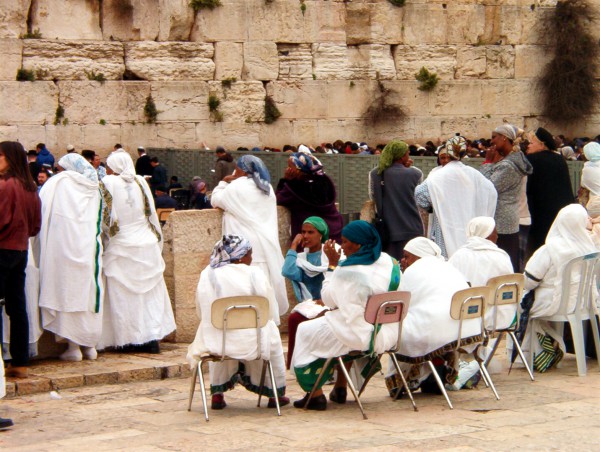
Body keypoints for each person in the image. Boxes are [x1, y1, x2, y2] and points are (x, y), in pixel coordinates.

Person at [292, 221, 401, 411]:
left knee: (305, 331)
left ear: (358, 245)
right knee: (340, 326)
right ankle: (340, 387)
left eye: (345, 241)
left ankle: (315, 393)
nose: (342, 247)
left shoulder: (349, 271)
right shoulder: (390, 262)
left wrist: (332, 266)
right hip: (388, 332)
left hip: (361, 335)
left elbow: (328, 300)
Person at [187, 235, 289, 409]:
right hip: (255, 341)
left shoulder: (207, 274)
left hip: (219, 343)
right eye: (249, 254)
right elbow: (268, 308)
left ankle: (217, 395)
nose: (251, 259)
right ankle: (275, 395)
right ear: (240, 256)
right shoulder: (255, 273)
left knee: (211, 327)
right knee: (269, 330)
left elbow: (202, 310)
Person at [97, 151, 176, 353]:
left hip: (122, 244)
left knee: (124, 296)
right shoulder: (141, 182)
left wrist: (106, 238)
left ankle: (128, 338)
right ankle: (151, 337)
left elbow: (106, 218)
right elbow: (149, 212)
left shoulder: (108, 182)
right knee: (150, 296)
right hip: (146, 244)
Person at [384, 237, 482, 396]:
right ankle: (431, 375)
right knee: (423, 322)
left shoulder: (413, 271)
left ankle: (401, 381)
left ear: (419, 256)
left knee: (399, 327)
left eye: (407, 256)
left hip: (437, 331)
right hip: (464, 330)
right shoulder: (448, 267)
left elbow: (401, 304)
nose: (403, 260)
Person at [38, 153, 103, 362]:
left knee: (66, 293)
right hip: (88, 249)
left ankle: (73, 347)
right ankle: (90, 346)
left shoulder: (58, 183)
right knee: (88, 294)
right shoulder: (94, 187)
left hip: (62, 248)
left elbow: (43, 209)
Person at [520, 204, 597, 372]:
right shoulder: (590, 248)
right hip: (584, 304)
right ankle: (549, 348)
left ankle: (529, 355)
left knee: (519, 304)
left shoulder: (549, 249)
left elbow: (529, 281)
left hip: (553, 304)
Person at [211, 155, 289, 317]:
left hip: (241, 251)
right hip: (263, 248)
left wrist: (223, 182)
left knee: (241, 291)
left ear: (241, 169)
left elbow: (216, 200)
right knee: (263, 292)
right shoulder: (267, 189)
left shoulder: (236, 187)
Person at [415, 135, 497, 258]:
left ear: (448, 152)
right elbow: (491, 192)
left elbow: (419, 195)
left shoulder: (437, 176)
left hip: (444, 229)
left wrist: (435, 205)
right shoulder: (474, 175)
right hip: (470, 231)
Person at [0, 141, 42, 380]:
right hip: (20, 250)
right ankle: (20, 361)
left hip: (2, 248)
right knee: (17, 306)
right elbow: (36, 226)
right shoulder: (30, 187)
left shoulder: (5, 186)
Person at [480, 125, 533, 271]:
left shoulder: (508, 166)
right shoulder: (511, 161)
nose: (491, 142)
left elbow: (487, 188)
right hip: (507, 218)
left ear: (504, 137)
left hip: (502, 221)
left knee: (503, 264)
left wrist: (487, 163)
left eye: (494, 137)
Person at [282, 217, 332, 369]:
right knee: (295, 318)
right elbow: (287, 271)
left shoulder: (331, 254)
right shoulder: (301, 258)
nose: (306, 236)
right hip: (309, 305)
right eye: (303, 232)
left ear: (321, 235)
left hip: (329, 302)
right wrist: (293, 245)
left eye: (311, 232)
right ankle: (296, 365)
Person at [448, 217, 515, 330]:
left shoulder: (458, 256)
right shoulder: (501, 256)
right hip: (497, 318)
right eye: (495, 232)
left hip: (464, 317)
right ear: (487, 235)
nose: (497, 236)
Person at [369, 140, 424, 259]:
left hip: (387, 231)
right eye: (407, 153)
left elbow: (372, 196)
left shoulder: (375, 174)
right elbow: (419, 199)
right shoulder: (416, 174)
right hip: (412, 228)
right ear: (402, 156)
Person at [525, 127, 574, 259]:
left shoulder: (532, 160)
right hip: (560, 210)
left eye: (531, 143)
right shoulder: (559, 159)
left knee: (540, 250)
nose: (528, 146)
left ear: (542, 144)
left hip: (540, 213)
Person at [276, 151, 344, 242]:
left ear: (298, 169)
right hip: (333, 229)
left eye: (289, 167)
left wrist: (285, 180)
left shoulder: (294, 189)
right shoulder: (324, 180)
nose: (287, 169)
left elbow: (278, 199)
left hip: (312, 236)